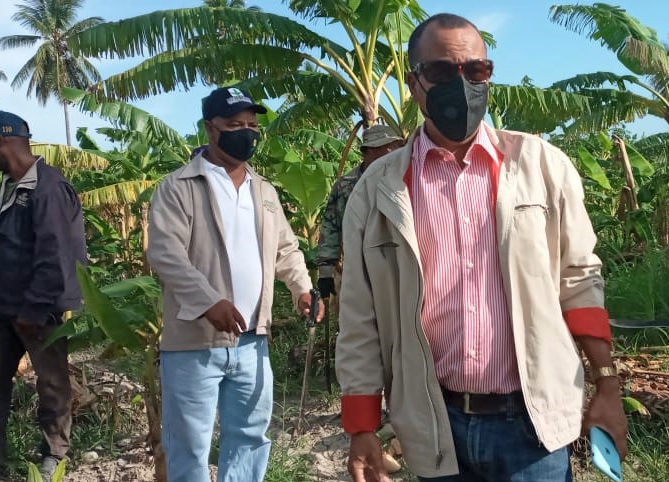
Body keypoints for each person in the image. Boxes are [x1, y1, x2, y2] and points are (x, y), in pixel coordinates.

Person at [335, 13, 628, 482]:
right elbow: (359, 316)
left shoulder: (540, 166)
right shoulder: (379, 190)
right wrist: (362, 426)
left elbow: (578, 280)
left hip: (531, 427)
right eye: (442, 72)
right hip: (435, 424)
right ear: (413, 83)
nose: (463, 84)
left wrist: (607, 385)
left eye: (476, 71)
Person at [146, 86, 324, 482]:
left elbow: (286, 249)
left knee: (250, 438)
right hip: (194, 342)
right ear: (210, 128)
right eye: (234, 124)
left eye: (251, 125)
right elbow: (165, 253)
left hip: (253, 342)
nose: (246, 132)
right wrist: (209, 302)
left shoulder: (264, 191)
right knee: (189, 445)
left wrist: (302, 288)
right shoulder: (179, 187)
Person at [0, 111, 87, 481]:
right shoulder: (8, 185)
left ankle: (53, 456)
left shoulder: (48, 187)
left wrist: (34, 308)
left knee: (51, 383)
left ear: (3, 140)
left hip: (38, 309)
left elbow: (56, 254)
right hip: (2, 308)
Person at [315, 124, 404, 299]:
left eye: (395, 147)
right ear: (369, 151)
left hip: (396, 267)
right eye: (388, 148)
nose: (393, 153)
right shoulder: (345, 185)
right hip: (357, 269)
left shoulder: (400, 181)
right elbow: (331, 226)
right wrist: (326, 273)